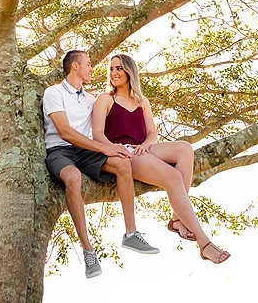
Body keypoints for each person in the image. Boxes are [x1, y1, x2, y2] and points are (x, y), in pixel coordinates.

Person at [91, 53, 231, 264]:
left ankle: (176, 218)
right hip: (122, 153)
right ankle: (205, 244)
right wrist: (115, 149)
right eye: (111, 69)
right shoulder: (105, 99)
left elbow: (152, 133)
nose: (113, 73)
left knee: (184, 148)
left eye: (118, 68)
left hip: (142, 149)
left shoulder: (141, 101)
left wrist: (146, 146)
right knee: (173, 176)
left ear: (129, 71)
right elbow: (97, 134)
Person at [43, 49, 160, 279]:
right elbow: (65, 132)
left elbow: (101, 129)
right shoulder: (53, 92)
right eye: (88, 64)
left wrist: (120, 147)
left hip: (85, 151)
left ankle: (130, 233)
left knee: (124, 162)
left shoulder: (91, 99)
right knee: (73, 178)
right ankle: (88, 251)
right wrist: (106, 148)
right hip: (59, 151)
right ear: (75, 66)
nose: (91, 68)